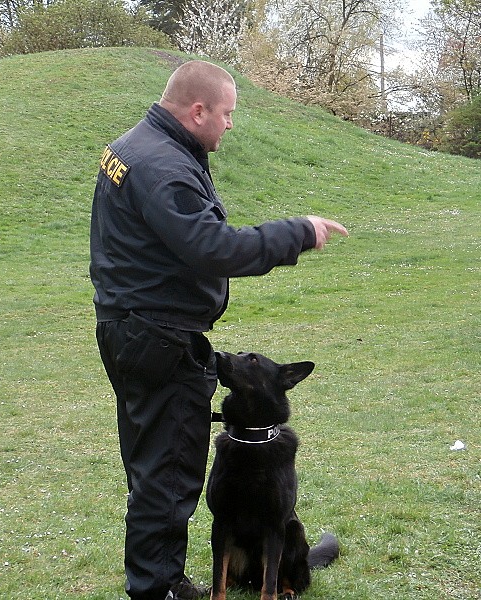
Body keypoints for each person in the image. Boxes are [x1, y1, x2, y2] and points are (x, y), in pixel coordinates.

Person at [89, 59, 347, 600]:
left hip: (132, 328)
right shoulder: (163, 167)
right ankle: (159, 588)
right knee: (170, 472)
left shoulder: (133, 148)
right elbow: (212, 246)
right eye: (226, 114)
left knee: (152, 463)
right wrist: (297, 232)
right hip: (157, 336)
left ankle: (158, 578)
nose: (231, 124)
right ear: (198, 109)